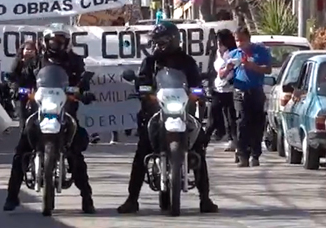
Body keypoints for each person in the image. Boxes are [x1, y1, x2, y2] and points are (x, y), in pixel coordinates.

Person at [117, 21, 218, 214]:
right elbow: (143, 82)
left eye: (161, 41)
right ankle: (132, 199)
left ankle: (205, 198)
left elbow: (196, 84)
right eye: (155, 41)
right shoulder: (151, 62)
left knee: (198, 148)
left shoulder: (187, 61)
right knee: (141, 152)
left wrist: (197, 93)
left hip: (182, 111)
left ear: (173, 40)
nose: (158, 45)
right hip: (156, 112)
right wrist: (145, 92)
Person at [3, 33, 96, 214]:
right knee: (22, 150)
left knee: (75, 153)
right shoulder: (37, 61)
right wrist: (17, 89)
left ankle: (87, 198)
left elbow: (82, 82)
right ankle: (12, 196)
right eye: (53, 40)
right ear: (46, 42)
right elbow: (23, 79)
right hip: (40, 110)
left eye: (60, 41)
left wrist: (82, 92)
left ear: (66, 43)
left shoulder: (74, 61)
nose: (56, 44)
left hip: (65, 110)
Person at [228, 27, 273, 167]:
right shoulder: (233, 54)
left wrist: (252, 66)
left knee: (257, 124)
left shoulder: (260, 51)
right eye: (237, 40)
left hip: (256, 91)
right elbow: (225, 74)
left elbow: (268, 69)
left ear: (248, 38)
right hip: (239, 92)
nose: (239, 43)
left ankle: (255, 154)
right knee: (242, 122)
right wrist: (226, 69)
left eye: (242, 39)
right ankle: (242, 154)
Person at [206, 29, 237, 152]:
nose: (219, 44)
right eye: (218, 42)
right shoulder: (215, 53)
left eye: (221, 42)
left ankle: (233, 141)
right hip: (217, 89)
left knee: (231, 117)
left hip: (231, 89)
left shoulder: (233, 53)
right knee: (212, 116)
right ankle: (204, 140)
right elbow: (211, 70)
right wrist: (209, 85)